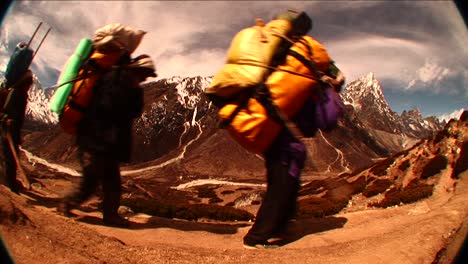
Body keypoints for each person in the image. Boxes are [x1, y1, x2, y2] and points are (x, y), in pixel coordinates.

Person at [242, 50, 345, 249]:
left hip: (276, 139)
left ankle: (280, 227)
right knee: (280, 189)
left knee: (287, 186)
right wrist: (331, 91)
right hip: (286, 145)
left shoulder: (289, 77)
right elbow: (326, 120)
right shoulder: (314, 86)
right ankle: (255, 238)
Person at [58, 53, 156, 227]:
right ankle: (66, 204)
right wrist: (134, 95)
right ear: (138, 69)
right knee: (91, 181)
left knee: (111, 182)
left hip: (103, 142)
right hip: (97, 141)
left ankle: (110, 216)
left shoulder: (118, 80)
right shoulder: (118, 81)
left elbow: (128, 111)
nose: (145, 78)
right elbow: (118, 109)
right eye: (145, 73)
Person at [0, 68, 33, 194]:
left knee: (9, 156)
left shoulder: (19, 93)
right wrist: (7, 121)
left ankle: (10, 181)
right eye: (29, 84)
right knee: (9, 157)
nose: (29, 87)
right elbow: (8, 112)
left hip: (12, 130)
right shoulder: (16, 93)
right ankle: (10, 184)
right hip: (7, 130)